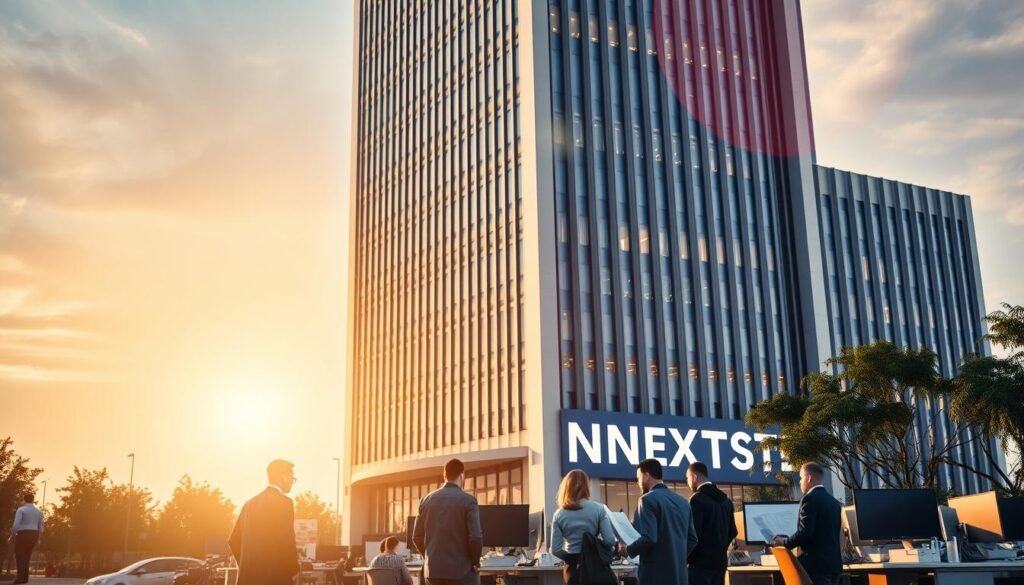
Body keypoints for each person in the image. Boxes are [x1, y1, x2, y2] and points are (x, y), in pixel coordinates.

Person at [617, 459, 698, 585]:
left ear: (646, 475)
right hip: (680, 576)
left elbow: (649, 538)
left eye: (638, 478)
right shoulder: (683, 502)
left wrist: (628, 550)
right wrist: (676, 558)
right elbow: (693, 539)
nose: (638, 483)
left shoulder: (647, 500)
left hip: (655, 576)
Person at [229, 459, 301, 585]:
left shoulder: (249, 504)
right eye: (292, 478)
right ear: (283, 477)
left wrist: (248, 567)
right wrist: (294, 569)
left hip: (247, 579)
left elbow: (233, 540)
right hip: (275, 579)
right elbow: (287, 540)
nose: (292, 482)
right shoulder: (284, 503)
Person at [412, 458, 483, 585]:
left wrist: (429, 556)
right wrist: (475, 561)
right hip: (461, 573)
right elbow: (475, 537)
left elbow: (416, 536)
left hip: (432, 573)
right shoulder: (469, 500)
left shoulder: (425, 500)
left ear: (444, 475)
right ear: (462, 476)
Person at [771, 462, 842, 585]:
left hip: (815, 567)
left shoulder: (809, 499)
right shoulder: (834, 502)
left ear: (808, 478)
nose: (799, 482)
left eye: (801, 477)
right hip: (834, 566)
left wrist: (784, 543)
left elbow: (805, 533)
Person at [550, 469, 617, 585]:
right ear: (586, 486)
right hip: (595, 566)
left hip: (573, 570)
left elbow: (555, 550)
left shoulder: (559, 514)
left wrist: (573, 559)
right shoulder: (599, 509)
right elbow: (609, 541)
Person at [685, 462, 738, 585]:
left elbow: (694, 534)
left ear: (694, 477)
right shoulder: (726, 501)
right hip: (720, 563)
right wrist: (720, 549)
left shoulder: (696, 499)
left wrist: (686, 558)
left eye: (687, 478)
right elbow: (733, 531)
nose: (687, 482)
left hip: (700, 564)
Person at [8, 493, 43, 585]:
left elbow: (16, 525)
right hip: (34, 534)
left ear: (24, 500)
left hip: (23, 534)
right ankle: (25, 578)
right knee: (27, 556)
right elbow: (40, 526)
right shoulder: (38, 511)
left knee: (20, 556)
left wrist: (12, 536)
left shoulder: (21, 510)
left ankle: (20, 578)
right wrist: (39, 538)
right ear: (33, 500)